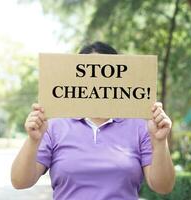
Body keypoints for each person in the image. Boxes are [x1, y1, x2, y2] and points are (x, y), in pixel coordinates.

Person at [11, 41, 175, 200]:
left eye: (105, 71)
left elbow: (164, 187)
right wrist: (33, 140)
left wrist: (160, 141)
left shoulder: (140, 127)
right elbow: (20, 182)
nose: (98, 79)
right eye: (90, 72)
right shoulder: (54, 126)